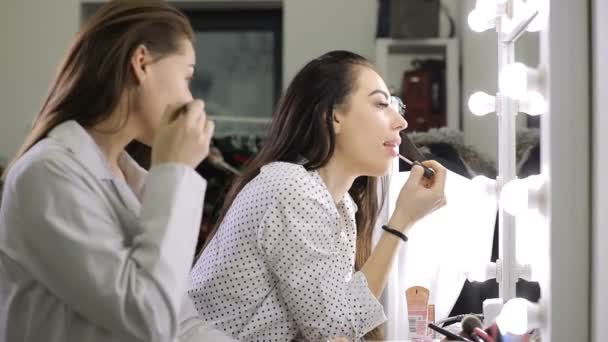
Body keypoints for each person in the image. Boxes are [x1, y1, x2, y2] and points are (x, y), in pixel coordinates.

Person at [0, 1, 234, 341]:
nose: (190, 97)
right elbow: (147, 317)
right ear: (141, 63)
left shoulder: (130, 180)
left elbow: (180, 323)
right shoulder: (46, 174)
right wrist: (175, 170)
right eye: (187, 77)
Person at [189, 50, 447, 341]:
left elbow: (342, 320)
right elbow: (334, 330)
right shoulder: (293, 188)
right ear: (334, 116)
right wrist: (402, 220)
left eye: (395, 106)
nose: (401, 122)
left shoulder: (341, 206)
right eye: (381, 104)